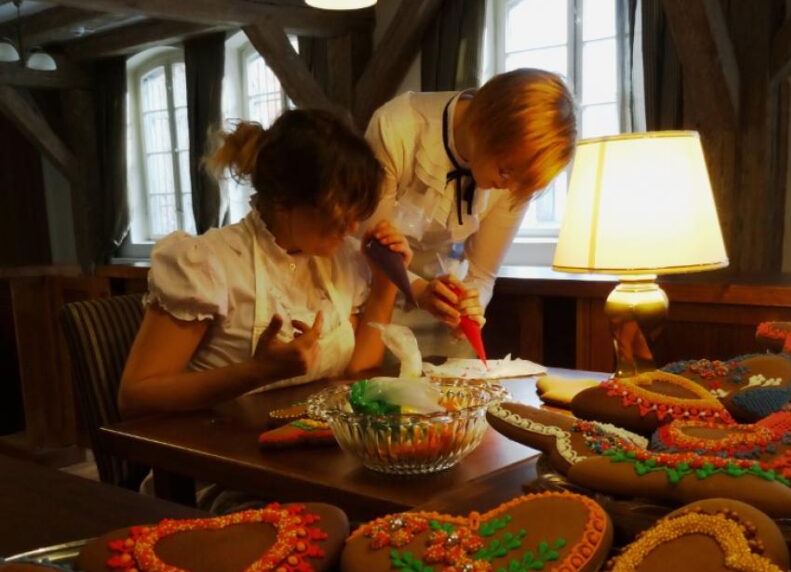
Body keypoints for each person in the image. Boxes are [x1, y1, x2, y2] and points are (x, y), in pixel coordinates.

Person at [119, 109, 411, 420]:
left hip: (303, 450)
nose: (353, 227)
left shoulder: (337, 260)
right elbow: (135, 397)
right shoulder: (209, 263)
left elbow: (356, 376)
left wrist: (384, 287)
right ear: (287, 199)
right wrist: (257, 372)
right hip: (215, 454)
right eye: (342, 212)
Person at [362, 68, 576, 356]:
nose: (507, 186)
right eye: (505, 171)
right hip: (373, 303)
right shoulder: (398, 127)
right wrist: (422, 291)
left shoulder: (516, 176)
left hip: (441, 319)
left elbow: (481, 274)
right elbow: (370, 244)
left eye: (521, 183)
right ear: (485, 125)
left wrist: (471, 309)